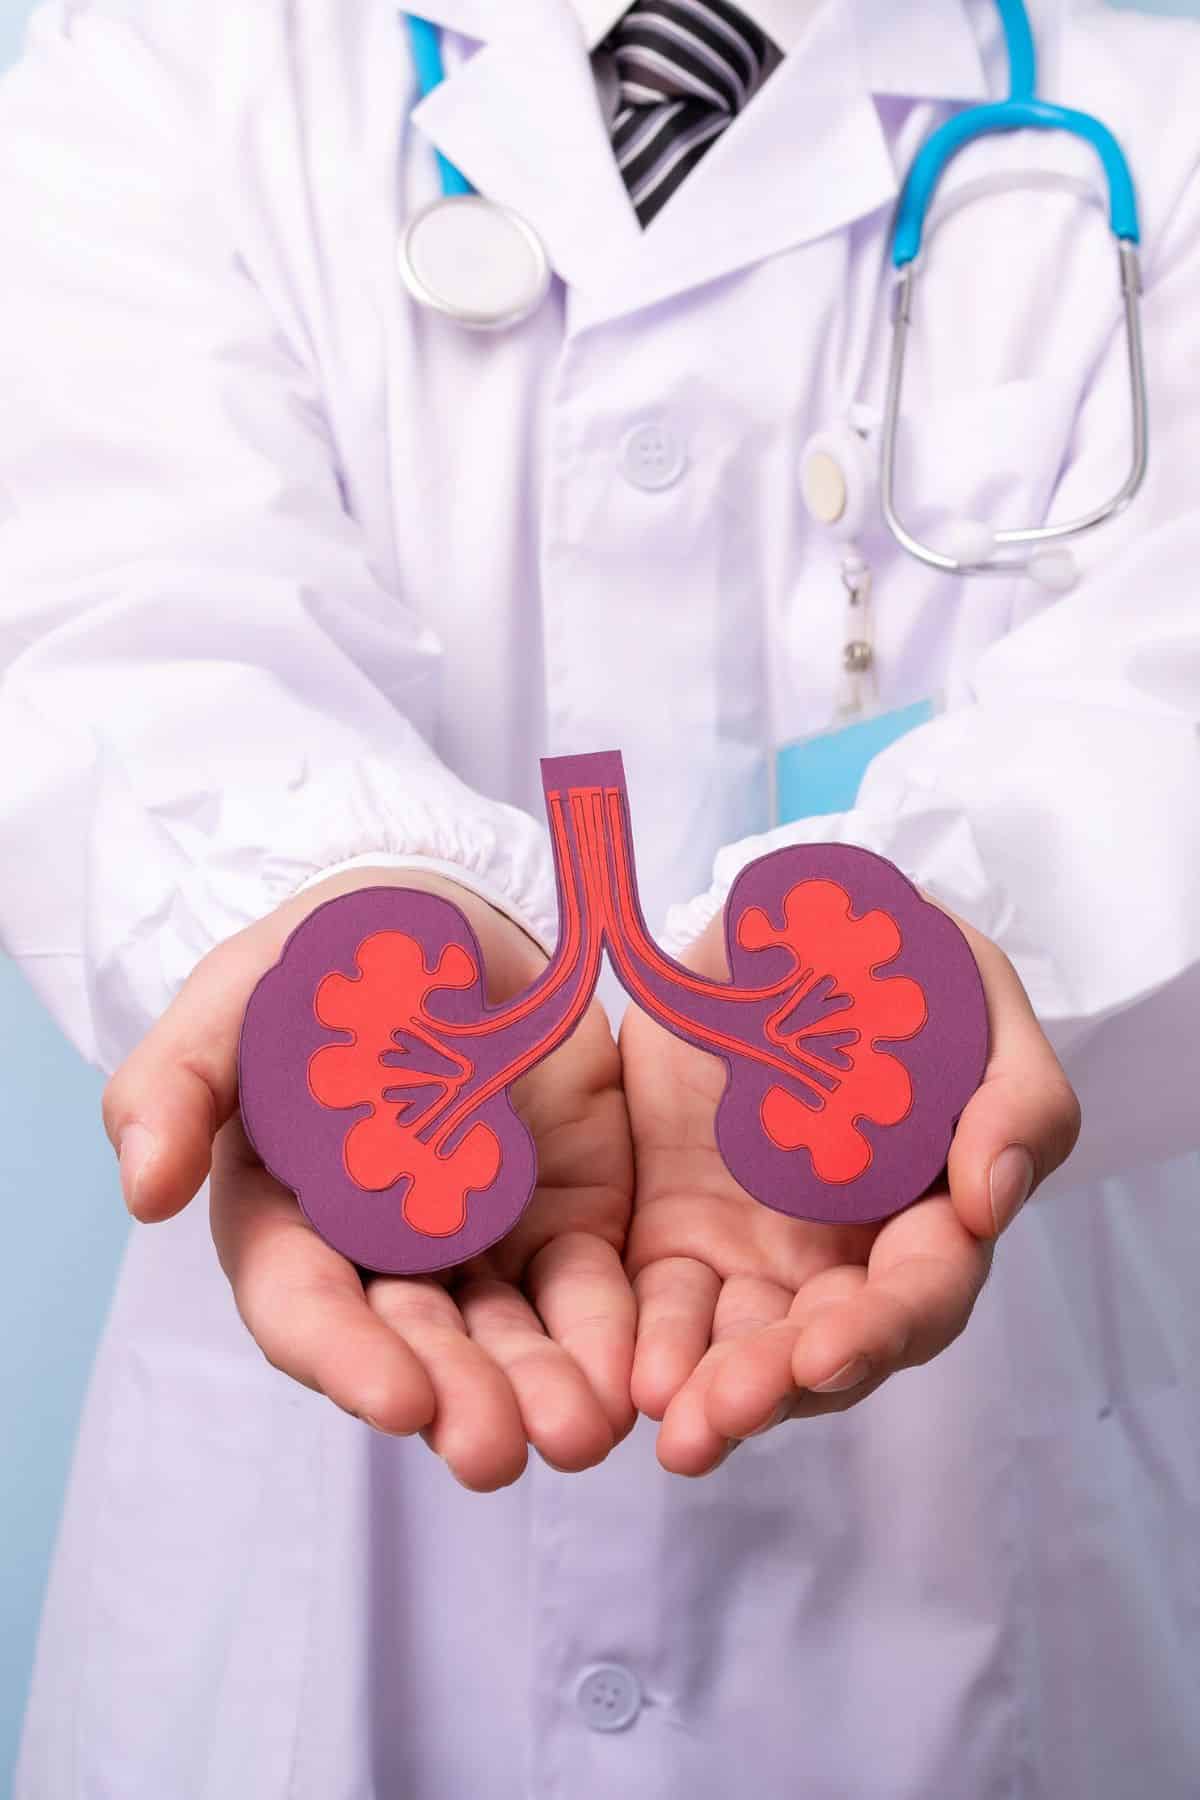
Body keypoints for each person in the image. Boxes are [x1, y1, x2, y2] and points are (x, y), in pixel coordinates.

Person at [1, 0, 1197, 1793]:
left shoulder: (1159, 133)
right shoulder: (172, 67)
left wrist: (948, 924)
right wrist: (357, 928)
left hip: (992, 1545)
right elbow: (115, 622)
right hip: (311, 1573)